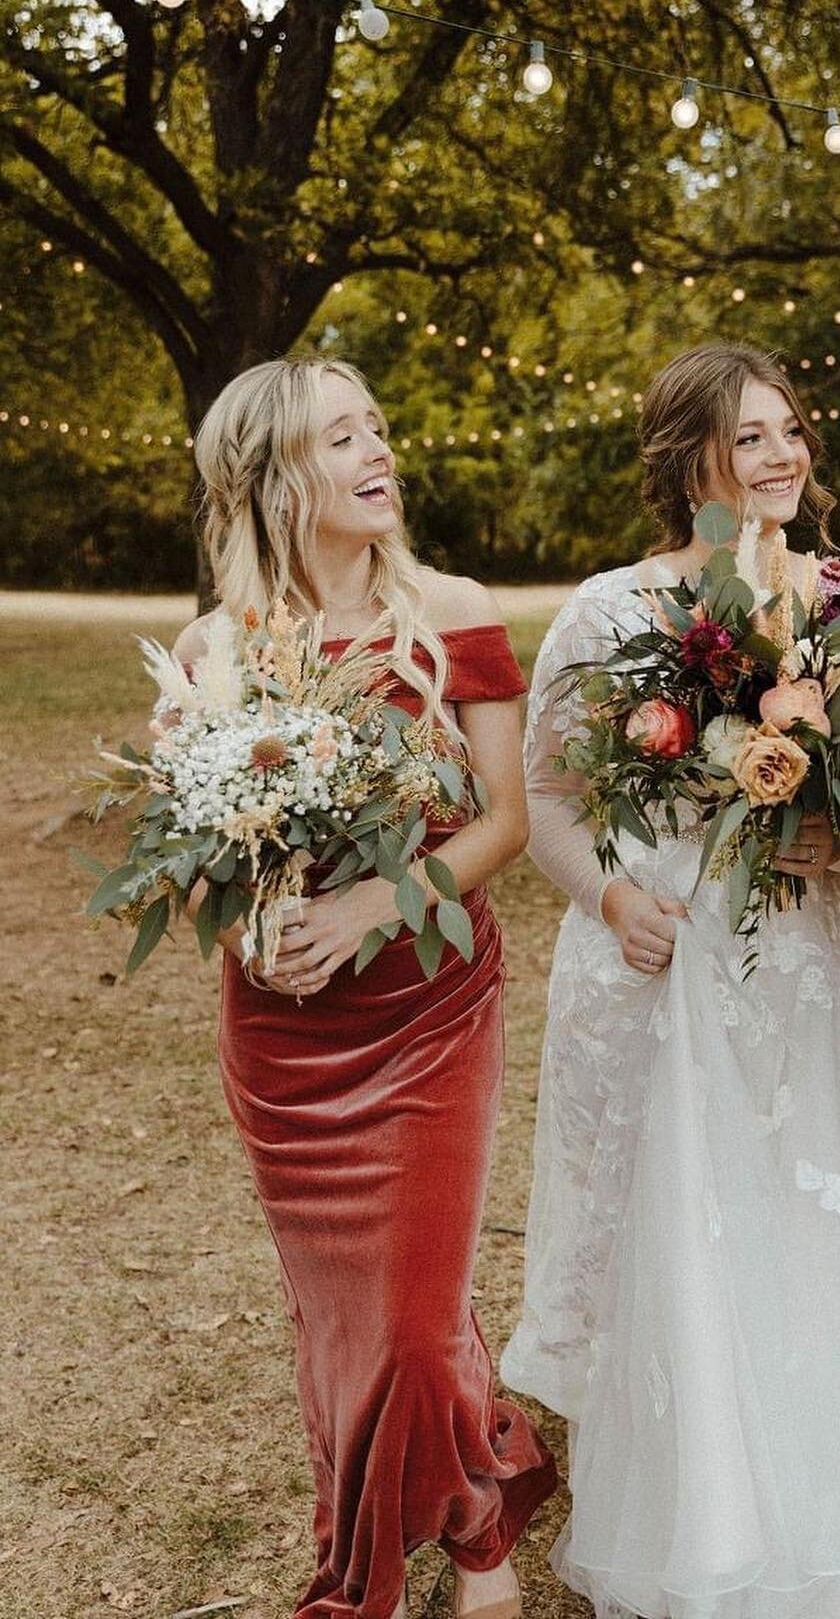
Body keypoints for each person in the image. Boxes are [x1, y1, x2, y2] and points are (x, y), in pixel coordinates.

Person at [502, 341, 840, 1619]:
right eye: (751, 435)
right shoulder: (611, 611)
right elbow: (549, 798)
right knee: (692, 1216)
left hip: (809, 966)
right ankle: (710, 1505)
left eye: (792, 431)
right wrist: (612, 898)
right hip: (662, 965)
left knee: (812, 1206)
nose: (782, 456)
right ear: (689, 459)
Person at [180, 357, 556, 1619]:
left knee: (411, 1313)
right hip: (286, 1044)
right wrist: (254, 926)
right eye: (342, 440)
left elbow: (501, 823)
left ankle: (461, 1534)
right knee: (348, 1323)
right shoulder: (214, 649)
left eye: (377, 429)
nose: (377, 453)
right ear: (276, 479)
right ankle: (477, 1526)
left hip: (428, 1007)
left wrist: (370, 907)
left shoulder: (453, 611)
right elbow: (200, 862)